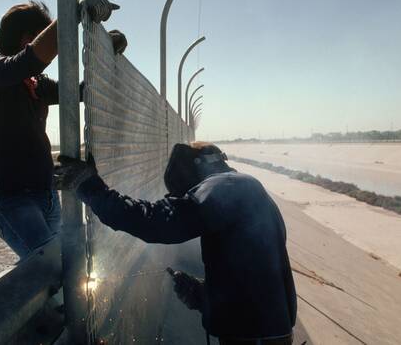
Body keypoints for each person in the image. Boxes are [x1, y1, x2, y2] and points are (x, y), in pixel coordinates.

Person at [54, 142, 297, 344]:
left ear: (198, 167)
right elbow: (253, 271)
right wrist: (202, 294)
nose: (186, 197)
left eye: (187, 192)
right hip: (264, 331)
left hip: (254, 336)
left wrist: (89, 186)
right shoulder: (245, 187)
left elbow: (155, 221)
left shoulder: (223, 186)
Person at [0, 0, 127, 259]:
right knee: (50, 268)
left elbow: (79, 92)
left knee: (61, 270)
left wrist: (104, 52)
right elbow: (29, 60)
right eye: (40, 35)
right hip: (12, 199)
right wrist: (75, 7)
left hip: (46, 195)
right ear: (25, 38)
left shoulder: (35, 82)